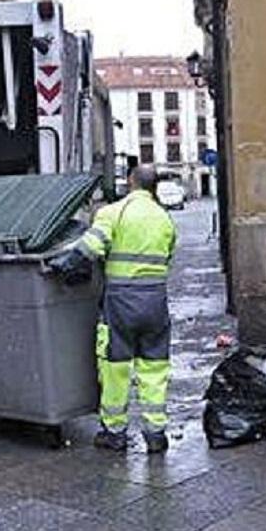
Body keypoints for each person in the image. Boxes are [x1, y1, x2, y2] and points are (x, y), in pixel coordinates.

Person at [71, 164, 178, 453]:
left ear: (131, 182)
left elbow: (90, 248)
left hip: (120, 301)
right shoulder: (164, 218)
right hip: (156, 301)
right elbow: (167, 256)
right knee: (154, 367)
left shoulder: (112, 212)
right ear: (153, 185)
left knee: (115, 367)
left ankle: (115, 432)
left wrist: (65, 264)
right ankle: (156, 434)